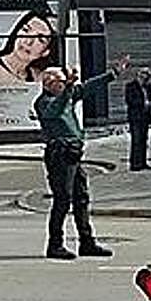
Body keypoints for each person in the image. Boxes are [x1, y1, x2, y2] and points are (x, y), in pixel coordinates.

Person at [34, 57, 128, 260]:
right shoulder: (44, 103)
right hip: (60, 153)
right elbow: (56, 110)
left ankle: (87, 242)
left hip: (74, 153)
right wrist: (68, 88)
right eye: (59, 82)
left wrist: (113, 74)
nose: (64, 85)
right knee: (62, 199)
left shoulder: (67, 94)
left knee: (81, 197)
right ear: (49, 84)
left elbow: (88, 87)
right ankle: (55, 244)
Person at [0, 11, 58, 85]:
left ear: (46, 52)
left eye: (40, 40)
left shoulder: (38, 76)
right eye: (25, 30)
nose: (28, 41)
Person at [125, 68, 151, 172]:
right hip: (136, 117)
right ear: (139, 75)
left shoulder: (147, 87)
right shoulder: (131, 86)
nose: (146, 78)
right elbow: (130, 100)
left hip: (145, 116)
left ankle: (143, 162)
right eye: (144, 75)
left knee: (144, 140)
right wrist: (143, 103)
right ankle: (135, 163)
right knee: (136, 140)